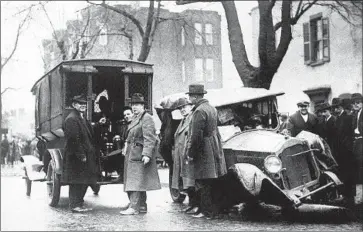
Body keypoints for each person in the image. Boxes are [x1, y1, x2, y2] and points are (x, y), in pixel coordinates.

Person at [185, 84, 227, 219]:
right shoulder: (211, 108)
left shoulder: (199, 111)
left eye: (190, 96)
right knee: (209, 181)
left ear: (196, 97)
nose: (189, 98)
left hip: (203, 149)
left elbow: (196, 136)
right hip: (212, 146)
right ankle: (209, 210)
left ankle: (205, 211)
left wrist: (191, 153)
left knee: (201, 181)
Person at [120, 93, 161, 215]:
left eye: (137, 104)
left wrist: (147, 154)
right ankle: (142, 206)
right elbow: (130, 135)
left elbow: (150, 138)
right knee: (137, 180)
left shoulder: (146, 118)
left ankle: (134, 207)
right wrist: (125, 145)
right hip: (132, 153)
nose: (134, 107)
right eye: (133, 104)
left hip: (139, 153)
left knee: (135, 181)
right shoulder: (136, 118)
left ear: (143, 106)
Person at [63, 94, 99, 213]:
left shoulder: (80, 117)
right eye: (80, 103)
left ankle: (79, 203)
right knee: (76, 181)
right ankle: (75, 205)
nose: (83, 105)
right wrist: (81, 155)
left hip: (84, 155)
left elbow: (87, 132)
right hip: (77, 156)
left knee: (82, 180)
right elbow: (74, 140)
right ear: (74, 105)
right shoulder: (72, 119)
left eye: (84, 103)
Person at [171, 97, 199, 215]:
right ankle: (191, 204)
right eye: (180, 108)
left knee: (191, 182)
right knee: (186, 182)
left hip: (188, 156)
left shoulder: (192, 119)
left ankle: (196, 205)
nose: (182, 109)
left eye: (184, 107)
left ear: (191, 106)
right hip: (181, 156)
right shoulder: (184, 120)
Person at [331, 97, 355, 207]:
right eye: (334, 108)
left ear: (341, 107)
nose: (336, 109)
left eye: (337, 107)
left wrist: (347, 148)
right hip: (340, 152)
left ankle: (350, 199)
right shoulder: (338, 118)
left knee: (349, 175)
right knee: (343, 175)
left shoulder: (348, 117)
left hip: (347, 152)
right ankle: (345, 197)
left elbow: (349, 135)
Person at [351, 93, 362, 193]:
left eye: (358, 102)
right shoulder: (356, 113)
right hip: (358, 140)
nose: (356, 104)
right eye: (354, 103)